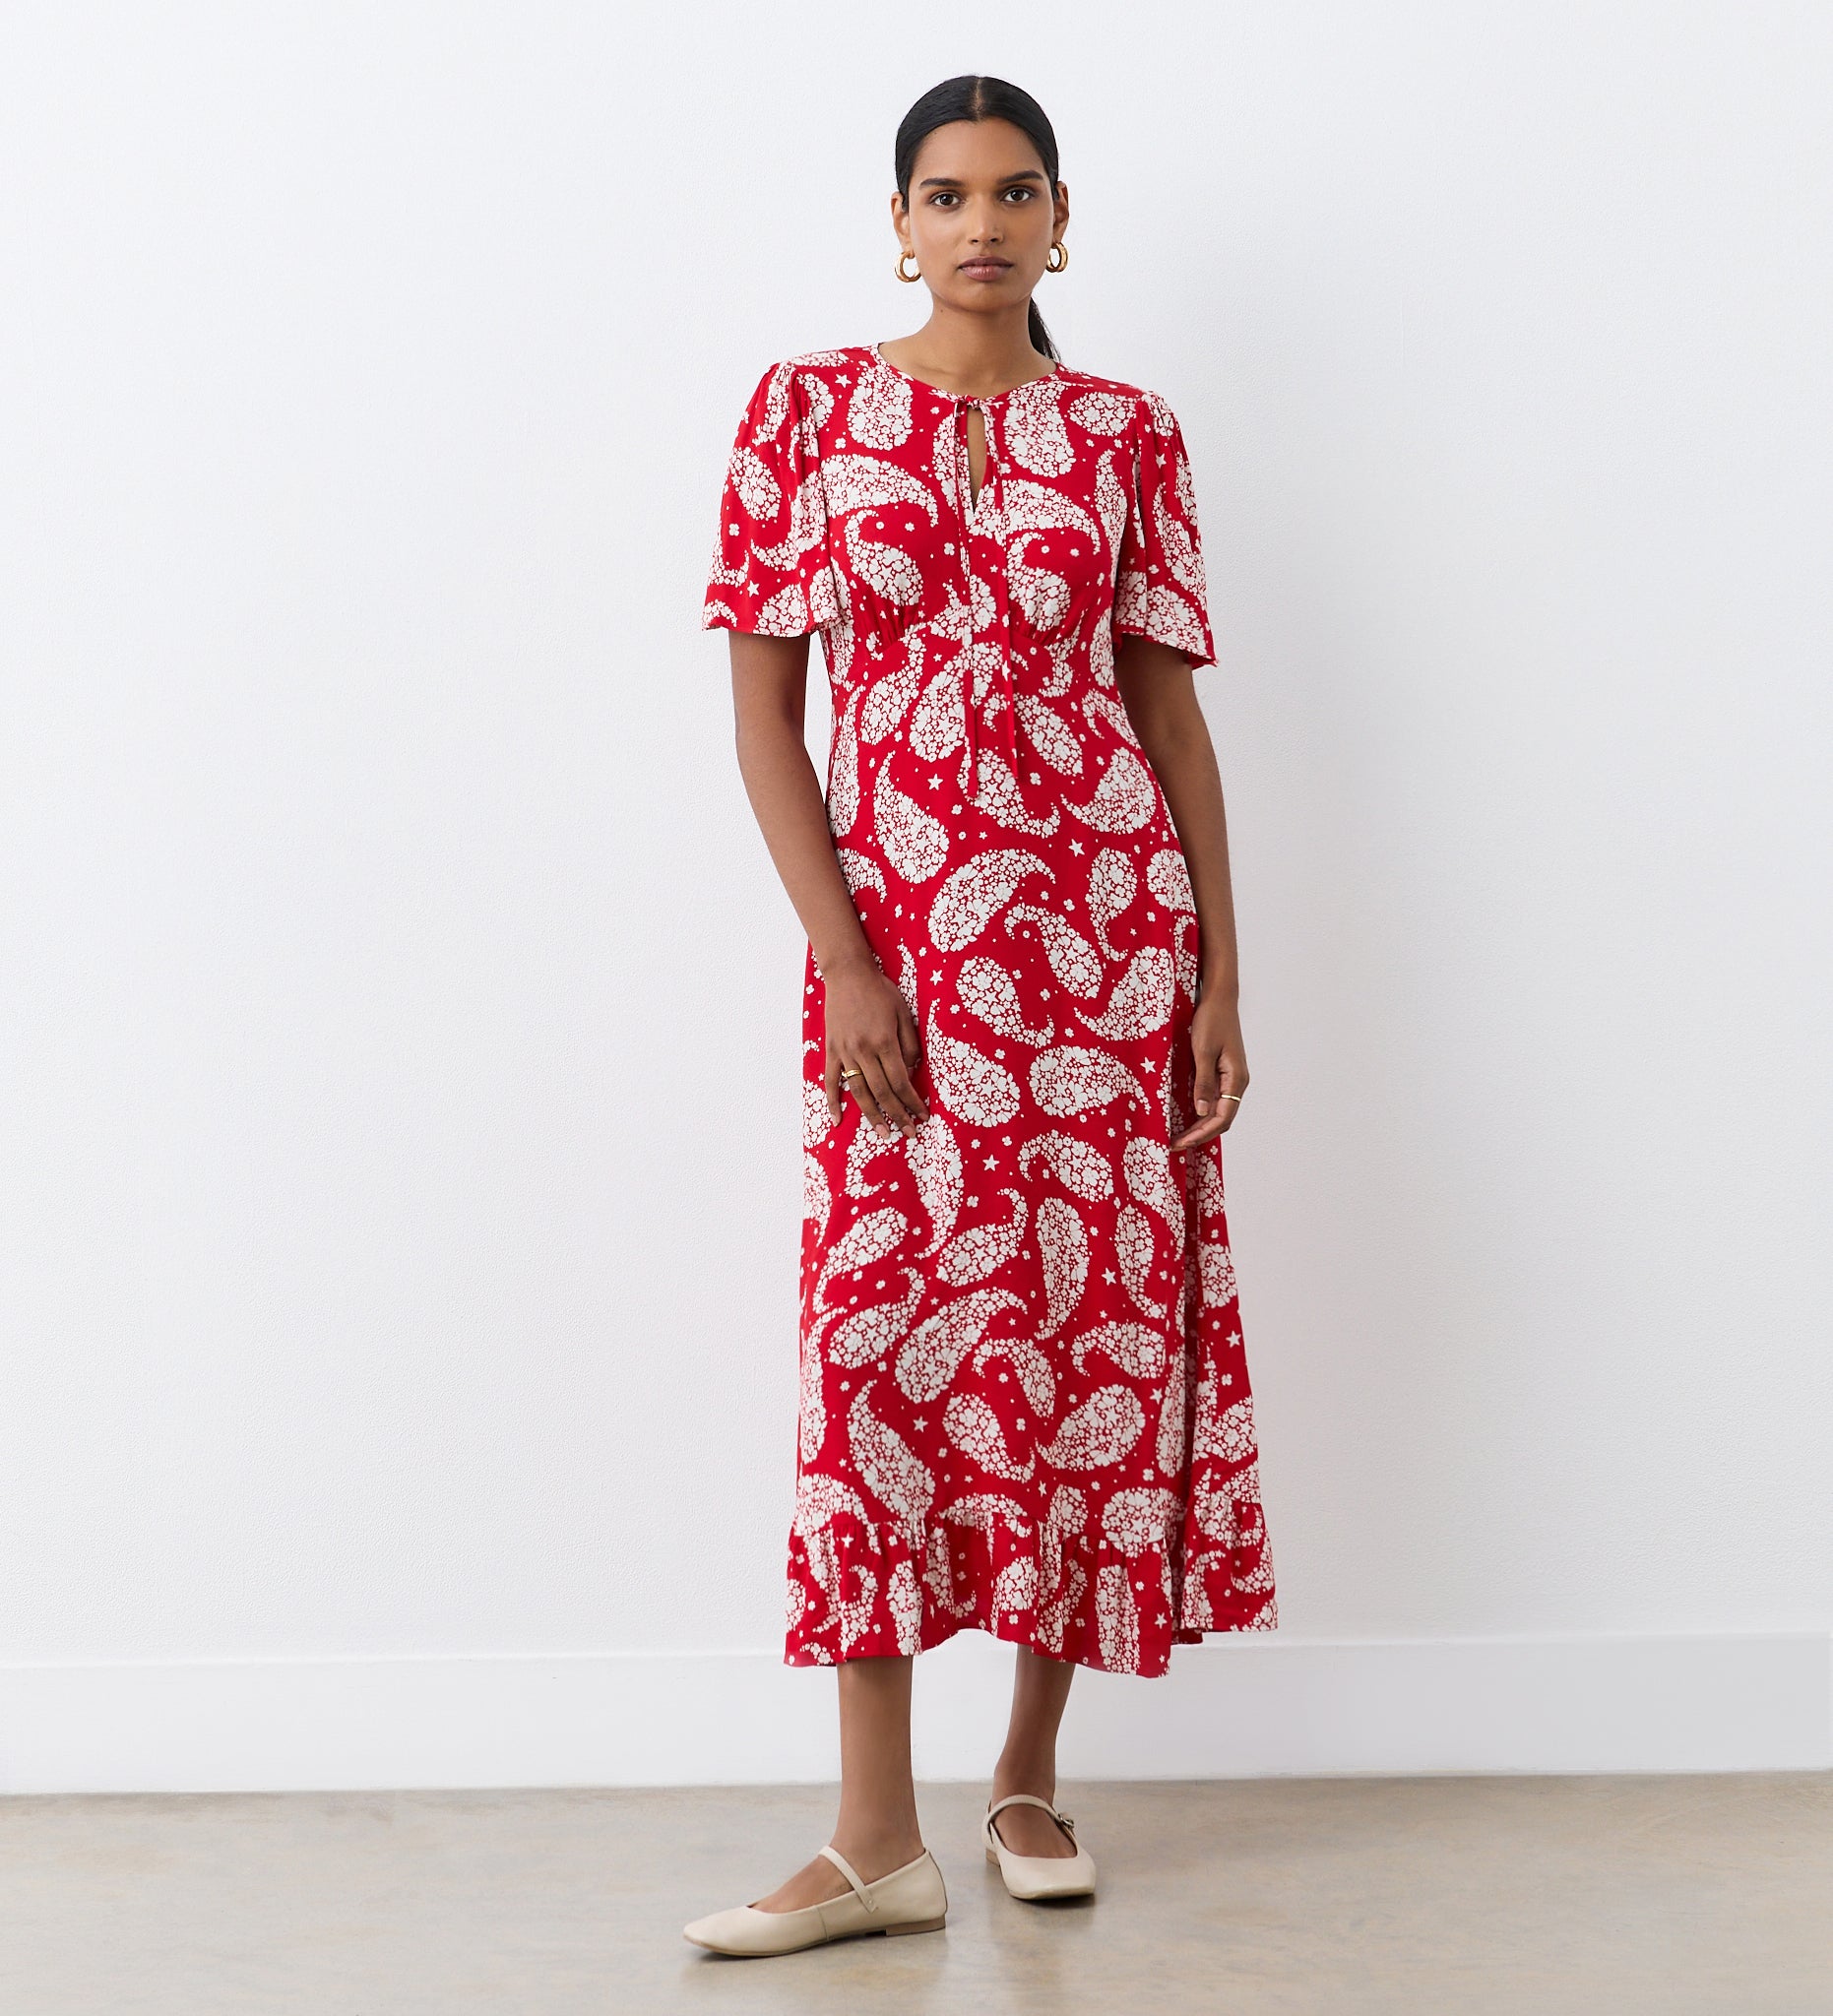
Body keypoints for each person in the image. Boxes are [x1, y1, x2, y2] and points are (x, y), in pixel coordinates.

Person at [686, 73, 1278, 1959]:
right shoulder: (804, 414)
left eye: (1015, 192)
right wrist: (847, 953)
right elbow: (766, 720)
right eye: (945, 194)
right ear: (897, 219)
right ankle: (874, 1835)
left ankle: (1024, 1774)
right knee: (880, 1352)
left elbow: (1167, 719)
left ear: (1061, 218)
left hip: (1108, 969)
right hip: (908, 970)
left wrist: (1218, 981)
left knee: (1086, 1350)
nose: (981, 224)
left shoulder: (1125, 433)